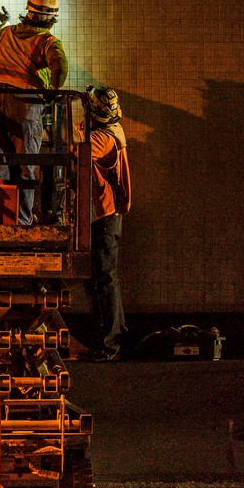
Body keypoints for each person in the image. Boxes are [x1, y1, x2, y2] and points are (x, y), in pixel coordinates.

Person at [0, 0, 68, 226]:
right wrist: (53, 93)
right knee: (26, 165)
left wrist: (5, 21)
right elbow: (60, 66)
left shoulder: (7, 33)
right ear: (51, 19)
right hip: (23, 103)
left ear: (27, 11)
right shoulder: (48, 41)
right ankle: (22, 223)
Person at [79, 85, 132, 361]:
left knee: (104, 279)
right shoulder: (113, 131)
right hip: (104, 215)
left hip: (104, 214)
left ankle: (111, 346)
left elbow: (79, 149)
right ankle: (114, 337)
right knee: (102, 278)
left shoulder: (104, 138)